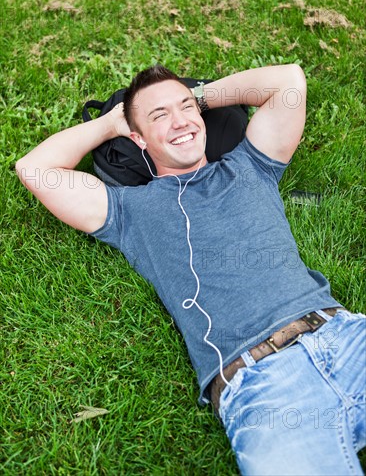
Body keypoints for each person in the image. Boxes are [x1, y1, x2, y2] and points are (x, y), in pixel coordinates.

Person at [16, 64, 366, 475]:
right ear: (138, 138)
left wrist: (198, 97)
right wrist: (112, 123)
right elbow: (34, 169)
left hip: (345, 338)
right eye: (159, 116)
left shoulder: (251, 165)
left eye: (186, 108)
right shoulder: (132, 211)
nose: (180, 121)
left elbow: (288, 83)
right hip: (263, 385)